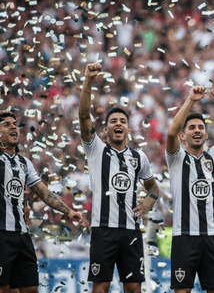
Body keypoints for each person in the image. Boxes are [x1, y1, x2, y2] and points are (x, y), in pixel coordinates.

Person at [78, 63, 159, 293]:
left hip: (131, 231)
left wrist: (149, 200)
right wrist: (88, 80)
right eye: (113, 121)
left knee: (133, 288)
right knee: (100, 287)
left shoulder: (138, 157)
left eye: (122, 121)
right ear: (105, 130)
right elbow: (84, 115)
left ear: (128, 129)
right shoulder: (96, 150)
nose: (118, 124)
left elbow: (153, 186)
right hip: (103, 230)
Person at [166, 85, 214, 293]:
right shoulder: (176, 159)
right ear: (183, 136)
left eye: (200, 127)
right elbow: (171, 131)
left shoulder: (213, 157)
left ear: (206, 134)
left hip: (211, 236)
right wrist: (190, 100)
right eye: (191, 128)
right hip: (184, 237)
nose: (197, 130)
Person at [0, 112, 83, 293]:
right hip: (1, 235)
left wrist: (68, 211)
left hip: (22, 235)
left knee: (30, 289)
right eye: (6, 124)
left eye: (15, 124)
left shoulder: (24, 163)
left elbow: (44, 193)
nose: (14, 127)